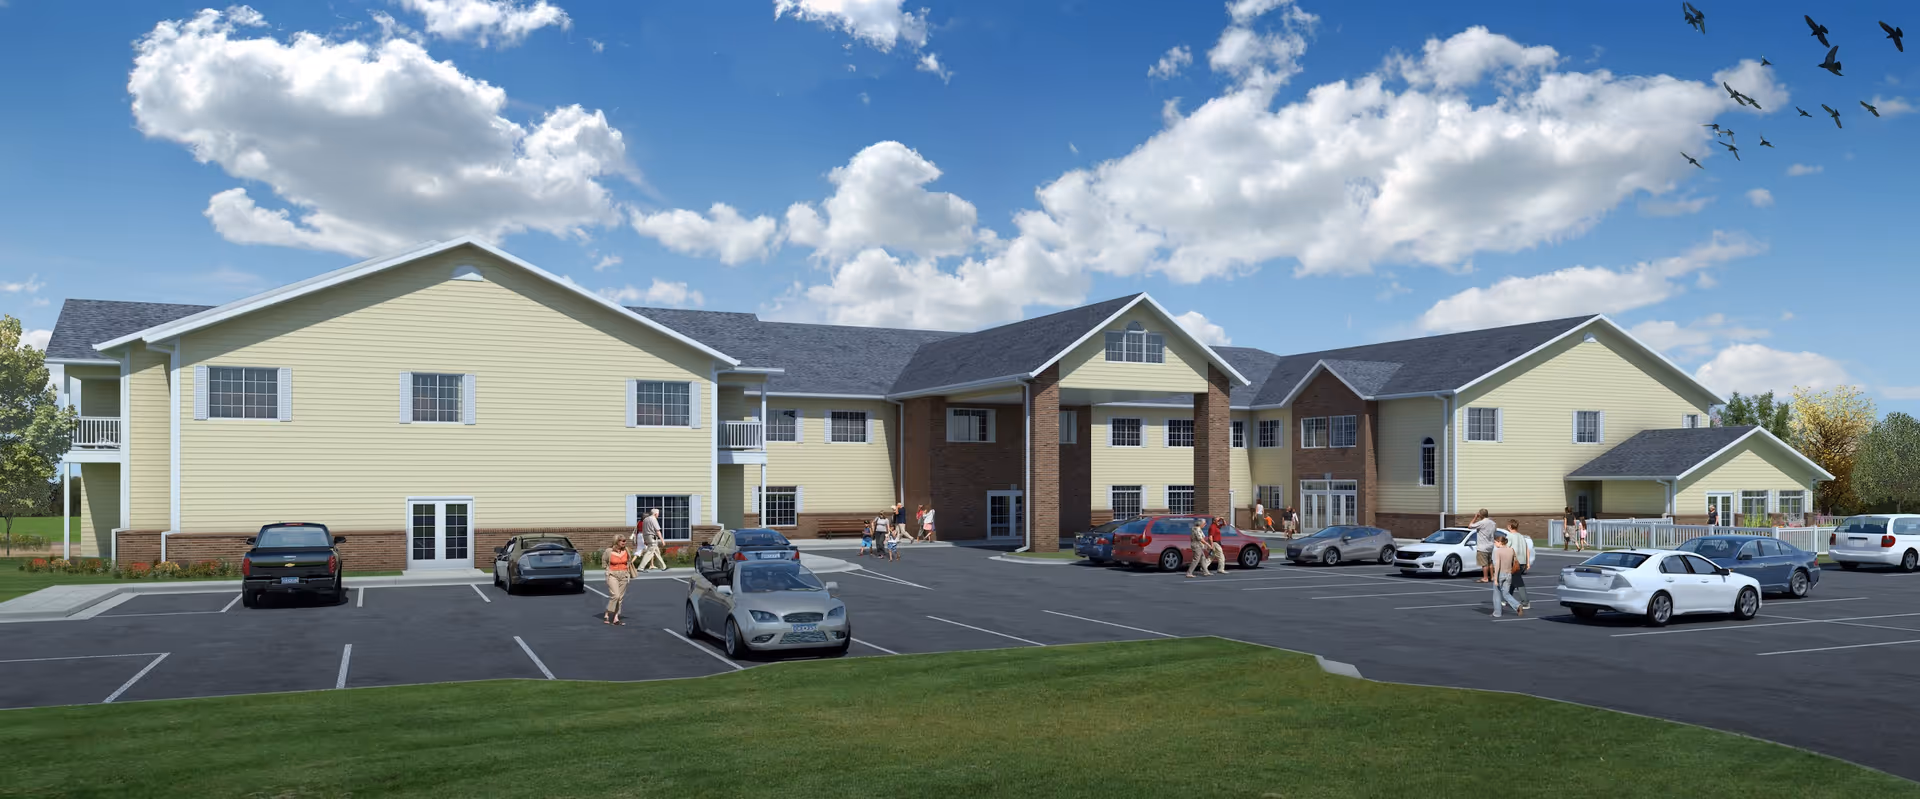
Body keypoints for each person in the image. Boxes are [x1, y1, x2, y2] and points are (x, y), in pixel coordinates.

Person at [1489, 531, 1523, 618]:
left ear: (1500, 542)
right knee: (1506, 594)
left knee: (1496, 594)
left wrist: (1495, 578)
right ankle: (1517, 605)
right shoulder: (1511, 550)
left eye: (1495, 542)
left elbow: (1497, 566)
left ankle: (1497, 613)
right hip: (1509, 574)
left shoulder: (1498, 551)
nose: (1494, 543)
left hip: (1500, 574)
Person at [602, 536, 635, 625]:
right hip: (613, 574)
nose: (624, 542)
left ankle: (616, 617)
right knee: (615, 595)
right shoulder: (609, 551)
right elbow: (604, 562)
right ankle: (607, 612)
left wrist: (627, 570)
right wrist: (607, 571)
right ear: (616, 542)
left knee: (620, 598)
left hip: (623, 575)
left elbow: (629, 560)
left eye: (625, 541)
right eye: (622, 541)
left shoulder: (626, 550)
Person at [1506, 519, 1535, 610]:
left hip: (1514, 562)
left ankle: (1525, 602)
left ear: (1510, 526)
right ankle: (1508, 599)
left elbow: (1507, 548)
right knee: (1513, 581)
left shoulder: (1509, 536)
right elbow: (1527, 550)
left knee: (1518, 582)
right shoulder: (1522, 536)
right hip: (1522, 562)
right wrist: (1528, 562)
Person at [1470, 509, 1497, 583]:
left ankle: (1485, 578)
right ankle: (1492, 577)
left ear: (1481, 515)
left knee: (1484, 563)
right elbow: (1494, 532)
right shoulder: (1493, 523)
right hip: (1490, 545)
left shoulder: (1481, 523)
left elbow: (1470, 526)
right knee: (1490, 562)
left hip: (1482, 545)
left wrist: (1475, 517)